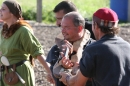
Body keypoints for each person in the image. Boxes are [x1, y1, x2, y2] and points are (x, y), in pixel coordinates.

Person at [59, 7, 130, 86]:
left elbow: (77, 83)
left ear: (95, 25)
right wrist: (80, 70)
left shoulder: (93, 49)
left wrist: (67, 78)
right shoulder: (127, 47)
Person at [0, 0, 54, 86]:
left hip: (20, 73)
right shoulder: (3, 31)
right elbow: (2, 52)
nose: (0, 11)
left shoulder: (23, 31)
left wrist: (50, 72)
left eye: (3, 9)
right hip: (6, 74)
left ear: (12, 13)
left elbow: (37, 52)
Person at [46, 10, 94, 86]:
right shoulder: (56, 49)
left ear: (79, 28)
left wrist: (77, 70)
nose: (63, 31)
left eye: (67, 27)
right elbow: (55, 76)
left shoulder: (93, 49)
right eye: (62, 27)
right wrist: (61, 64)